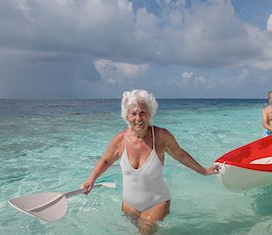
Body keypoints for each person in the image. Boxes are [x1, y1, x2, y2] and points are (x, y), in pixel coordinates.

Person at [80, 89, 218, 226]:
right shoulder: (120, 140)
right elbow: (106, 160)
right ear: (127, 116)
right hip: (129, 206)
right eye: (133, 113)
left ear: (150, 114)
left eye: (143, 113)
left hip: (157, 203)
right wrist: (91, 179)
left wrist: (204, 171)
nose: (138, 118)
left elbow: (180, 155)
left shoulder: (161, 136)